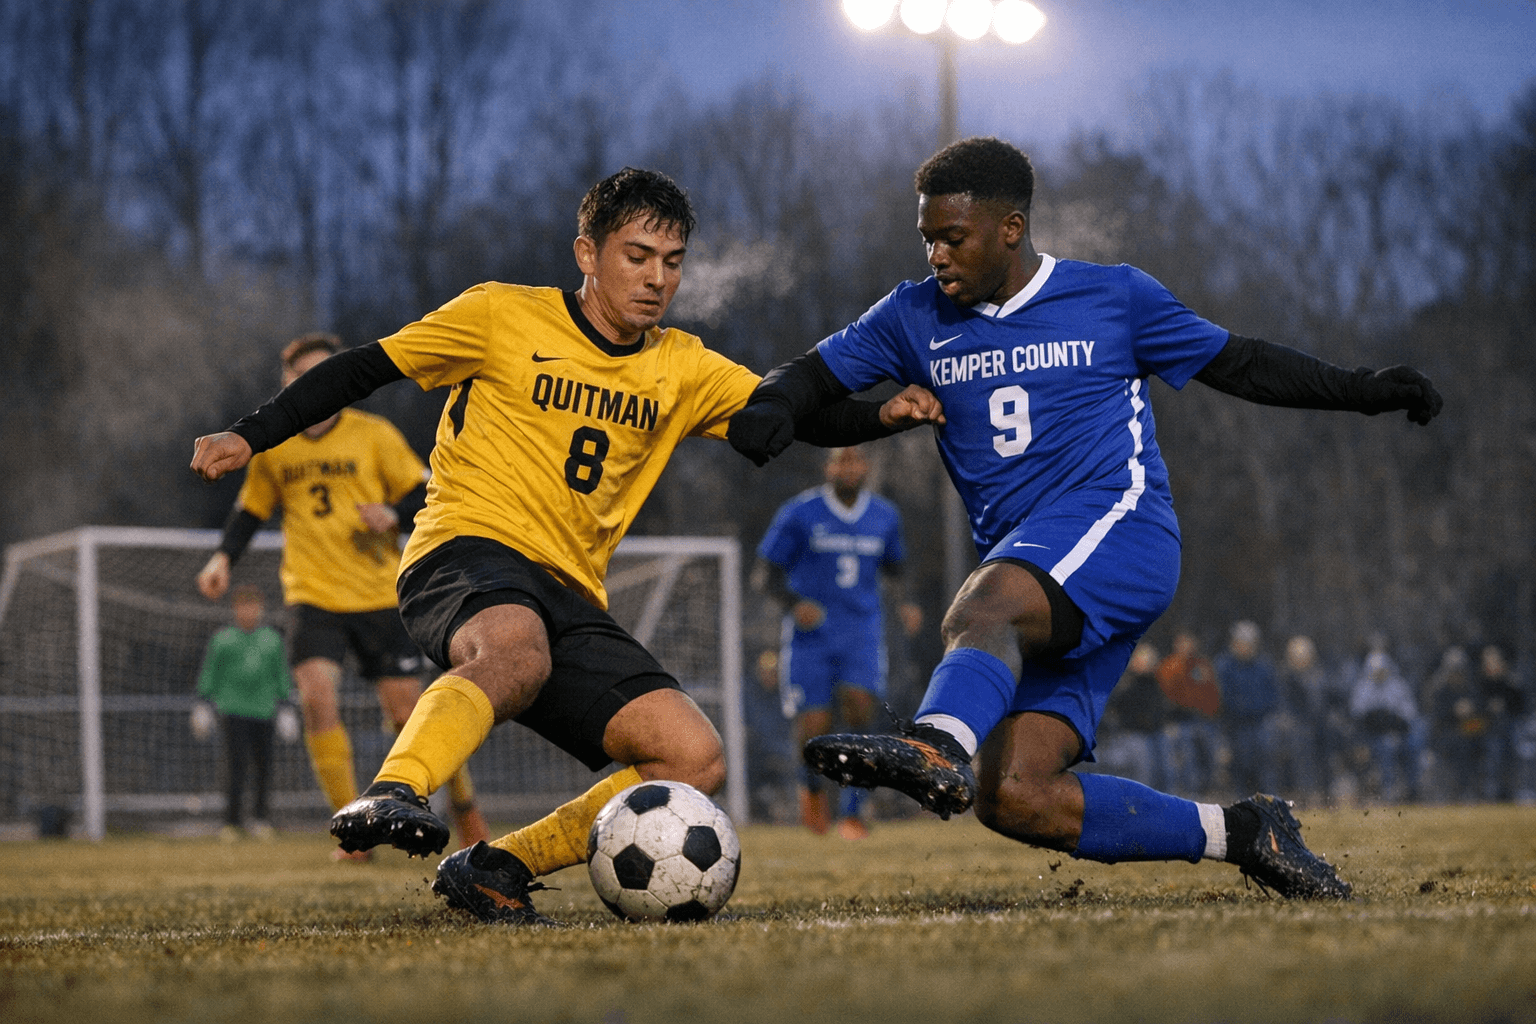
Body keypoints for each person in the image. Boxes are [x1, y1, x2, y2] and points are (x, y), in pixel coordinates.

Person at [189, 167, 942, 924]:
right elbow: (363, 367)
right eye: (637, 255)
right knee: (517, 651)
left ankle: (497, 866)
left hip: (568, 593)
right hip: (461, 552)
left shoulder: (680, 364)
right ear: (587, 252)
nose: (656, 279)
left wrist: (882, 416)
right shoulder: (498, 314)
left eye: (672, 262)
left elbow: (794, 413)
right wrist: (251, 434)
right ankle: (394, 790)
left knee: (693, 757)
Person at [729, 136, 1443, 899]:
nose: (937, 254)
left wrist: (1363, 389)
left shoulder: (1114, 296)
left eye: (954, 238)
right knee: (1014, 796)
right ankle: (1244, 833)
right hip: (1038, 576)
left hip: (1121, 529)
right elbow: (805, 379)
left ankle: (934, 744)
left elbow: (1242, 363)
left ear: (1011, 227)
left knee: (983, 603)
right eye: (928, 238)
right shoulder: (912, 315)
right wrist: (777, 404)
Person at [195, 332, 490, 861]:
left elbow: (425, 487)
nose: (313, 386)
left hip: (380, 594)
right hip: (312, 596)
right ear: (288, 385)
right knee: (316, 702)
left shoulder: (373, 435)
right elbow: (251, 510)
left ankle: (465, 806)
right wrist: (222, 558)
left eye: (322, 375)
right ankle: (352, 834)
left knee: (410, 717)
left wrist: (392, 515)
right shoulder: (273, 446)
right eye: (302, 377)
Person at [755, 445, 922, 839]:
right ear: (828, 466)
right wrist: (795, 604)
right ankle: (811, 787)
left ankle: (853, 810)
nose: (849, 467)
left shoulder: (884, 515)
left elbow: (898, 567)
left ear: (866, 466)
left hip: (861, 632)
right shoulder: (800, 512)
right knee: (814, 724)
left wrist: (908, 603)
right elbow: (766, 574)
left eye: (856, 459)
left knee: (860, 708)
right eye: (841, 459)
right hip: (810, 637)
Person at [195, 584, 291, 840]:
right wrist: (203, 704)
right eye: (244, 606)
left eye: (254, 606)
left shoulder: (272, 639)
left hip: (265, 711)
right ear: (236, 609)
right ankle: (232, 822)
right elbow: (210, 673)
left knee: (264, 768)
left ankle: (260, 819)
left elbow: (281, 674)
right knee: (235, 767)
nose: (249, 611)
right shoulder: (223, 639)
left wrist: (286, 707)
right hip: (233, 710)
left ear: (260, 609)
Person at [1214, 620, 1280, 796]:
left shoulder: (1264, 665)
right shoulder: (1224, 666)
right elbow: (1222, 698)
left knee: (1266, 762)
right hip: (1235, 724)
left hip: (1260, 722)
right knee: (1240, 764)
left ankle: (1269, 800)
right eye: (1241, 642)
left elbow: (1274, 695)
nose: (1246, 647)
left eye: (1249, 643)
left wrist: (1261, 709)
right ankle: (1242, 801)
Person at [1348, 649, 1422, 802]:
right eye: (1375, 670)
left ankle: (1413, 789)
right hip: (1372, 736)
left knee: (1413, 745)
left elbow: (1410, 713)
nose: (1379, 673)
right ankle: (1389, 790)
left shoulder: (1398, 685)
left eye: (1382, 670)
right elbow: (1358, 715)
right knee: (1387, 746)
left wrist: (1394, 723)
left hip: (1399, 732)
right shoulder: (1363, 688)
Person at [1155, 631, 1223, 796]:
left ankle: (1207, 788)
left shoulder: (1202, 666)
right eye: (1182, 643)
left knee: (1212, 746)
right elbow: (1165, 699)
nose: (1186, 647)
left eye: (1189, 642)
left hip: (1204, 720)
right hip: (1178, 720)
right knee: (1185, 746)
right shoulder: (1168, 667)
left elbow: (1213, 695)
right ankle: (1187, 791)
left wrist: (1210, 714)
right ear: (1175, 645)